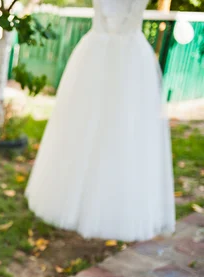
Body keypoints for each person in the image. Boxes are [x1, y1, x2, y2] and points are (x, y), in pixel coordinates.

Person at [25, 0, 175, 241]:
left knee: (126, 127)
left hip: (129, 63)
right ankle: (74, 200)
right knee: (80, 126)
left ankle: (115, 207)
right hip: (95, 59)